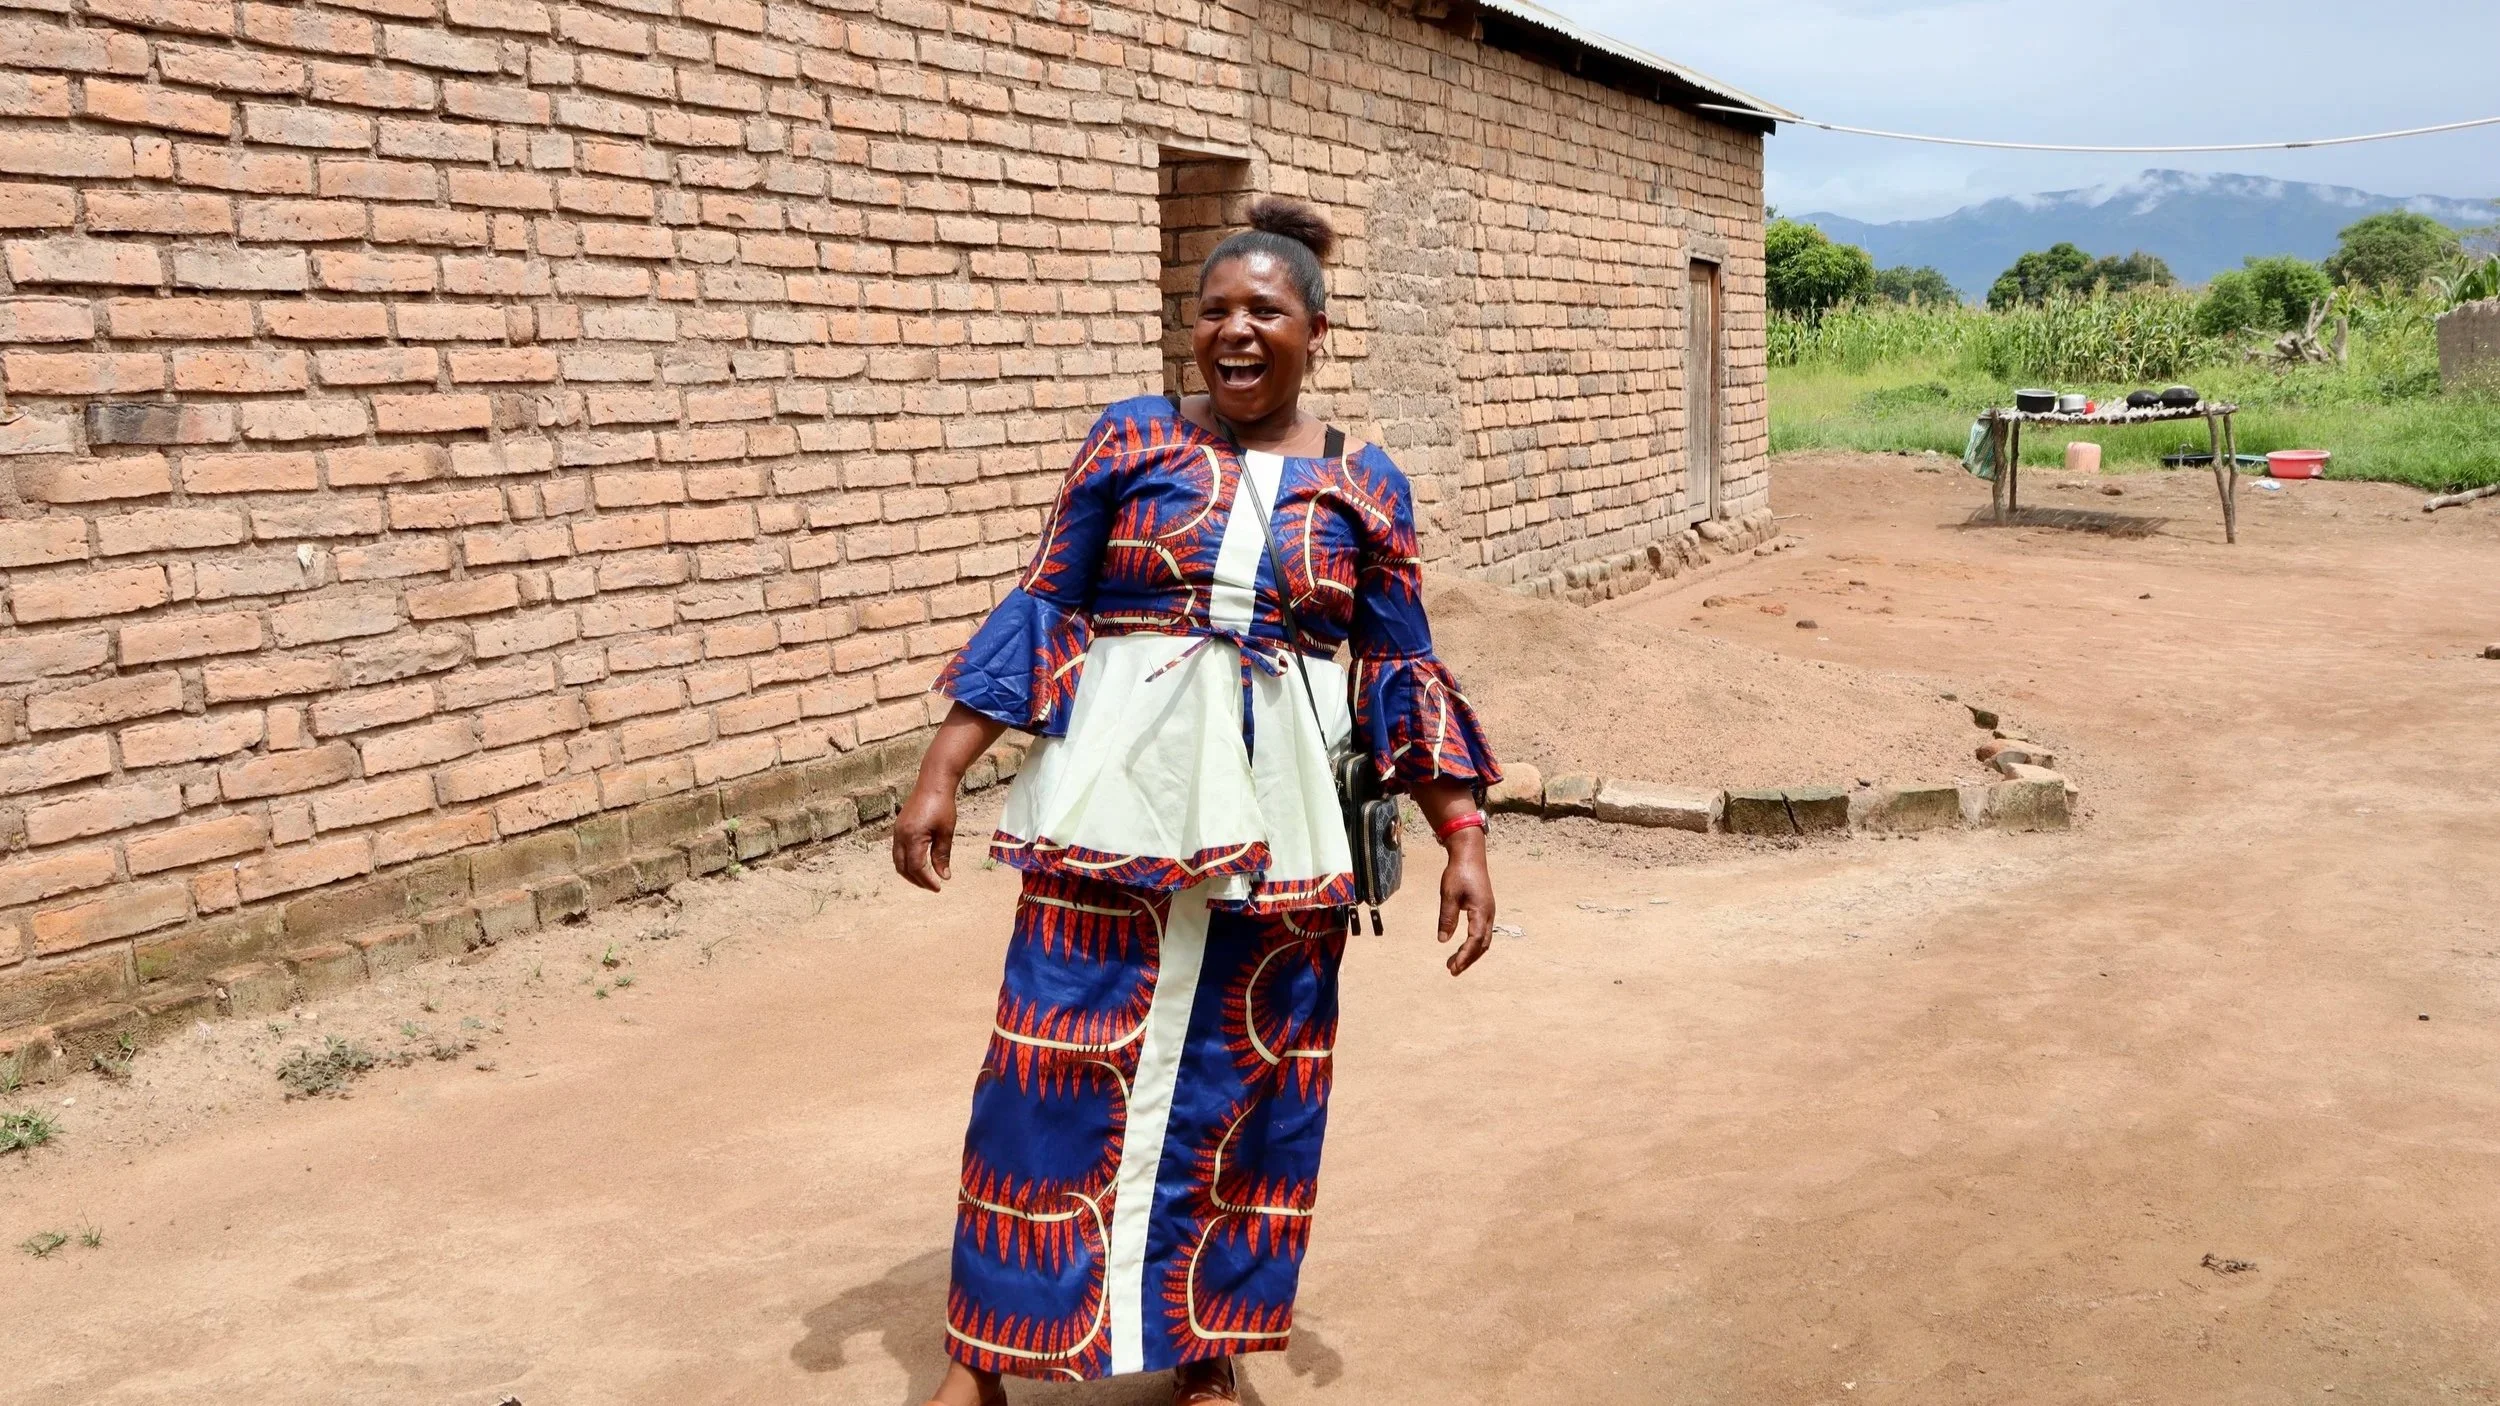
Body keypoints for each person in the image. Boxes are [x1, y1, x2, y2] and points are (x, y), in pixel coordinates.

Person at [893, 197, 1500, 1406]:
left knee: (1246, 1076)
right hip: (1109, 813)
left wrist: (1461, 834)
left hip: (1282, 831)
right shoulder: (1128, 442)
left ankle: (1202, 1335)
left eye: (1262, 310)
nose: (1234, 330)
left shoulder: (1365, 483)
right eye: (1213, 309)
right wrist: (943, 767)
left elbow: (1395, 665)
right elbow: (1046, 606)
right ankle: (987, 1352)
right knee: (1043, 1063)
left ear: (1315, 330)